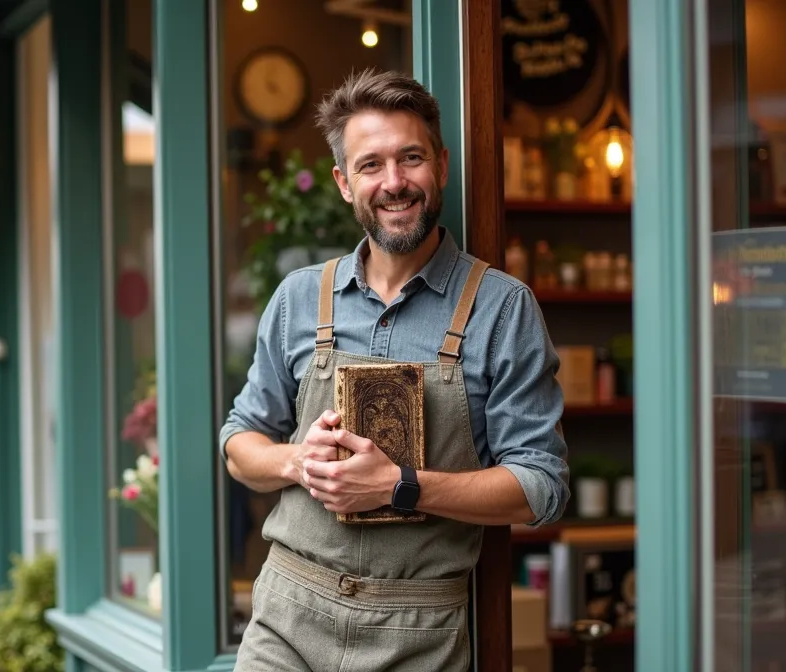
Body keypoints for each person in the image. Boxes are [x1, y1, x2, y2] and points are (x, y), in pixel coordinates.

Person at [221, 69, 570, 670]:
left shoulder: (501, 307)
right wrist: (296, 460)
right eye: (370, 164)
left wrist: (401, 486)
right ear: (343, 183)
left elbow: (542, 488)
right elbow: (238, 444)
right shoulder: (300, 298)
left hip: (419, 631)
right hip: (286, 614)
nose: (394, 183)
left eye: (410, 158)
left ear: (440, 163)